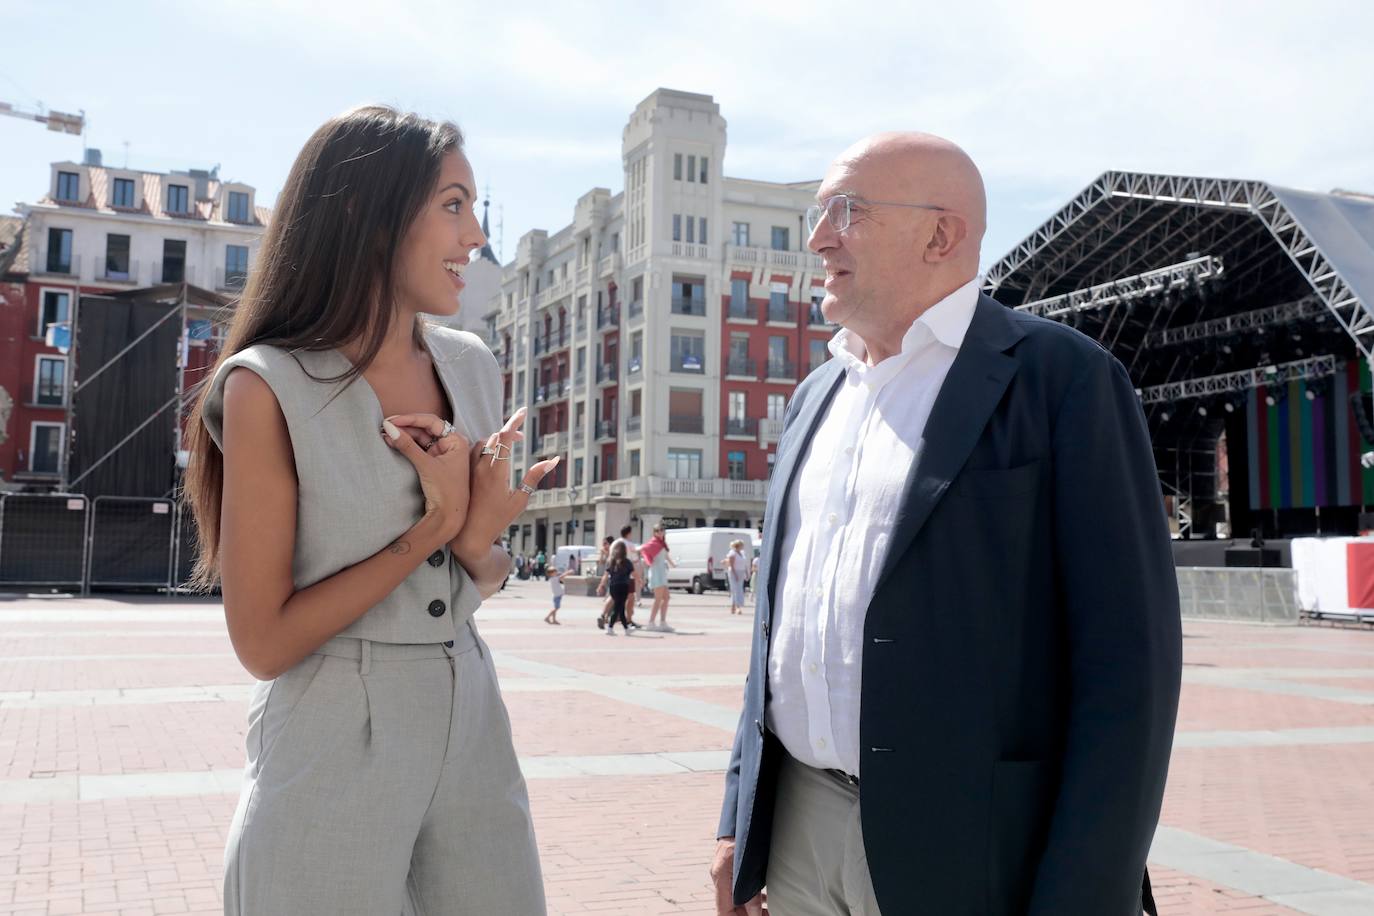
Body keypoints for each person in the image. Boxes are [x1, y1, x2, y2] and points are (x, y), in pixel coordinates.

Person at [711, 133, 1181, 916]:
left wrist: (1086, 897)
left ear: (941, 234)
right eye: (817, 214)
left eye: (847, 211)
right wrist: (739, 819)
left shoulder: (1065, 380)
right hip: (797, 833)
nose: (819, 238)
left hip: (975, 846)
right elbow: (777, 633)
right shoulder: (812, 399)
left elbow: (1129, 673)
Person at [184, 105, 556, 914]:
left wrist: (477, 539)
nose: (475, 237)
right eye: (453, 204)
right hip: (329, 730)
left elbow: (476, 577)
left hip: (471, 715)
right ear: (367, 214)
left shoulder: (473, 366)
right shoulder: (267, 384)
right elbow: (263, 642)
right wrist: (430, 528)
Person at [640, 525, 677, 632]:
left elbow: (666, 556)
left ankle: (662, 622)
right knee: (658, 599)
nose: (660, 532)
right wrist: (647, 561)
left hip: (661, 573)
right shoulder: (653, 543)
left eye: (661, 530)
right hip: (656, 573)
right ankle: (651, 623)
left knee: (666, 598)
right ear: (654, 532)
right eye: (657, 531)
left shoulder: (662, 543)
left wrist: (673, 564)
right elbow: (643, 549)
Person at [597, 541, 636, 636]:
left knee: (620, 608)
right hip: (623, 586)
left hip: (613, 586)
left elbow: (606, 575)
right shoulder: (627, 562)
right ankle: (610, 628)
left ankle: (626, 628)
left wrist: (601, 585)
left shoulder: (611, 561)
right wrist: (639, 580)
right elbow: (633, 573)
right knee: (618, 608)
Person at [724, 539, 749, 615]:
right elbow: (731, 565)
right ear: (738, 545)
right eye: (741, 545)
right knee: (735, 589)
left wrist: (747, 573)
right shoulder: (732, 553)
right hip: (734, 572)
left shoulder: (742, 553)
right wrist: (735, 575)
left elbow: (744, 564)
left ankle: (733, 606)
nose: (743, 546)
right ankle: (737, 607)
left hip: (741, 572)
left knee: (739, 589)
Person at [596, 535, 614, 629]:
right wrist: (602, 554)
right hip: (611, 578)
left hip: (611, 577)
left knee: (611, 597)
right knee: (611, 597)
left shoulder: (614, 553)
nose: (604, 546)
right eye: (603, 544)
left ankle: (606, 617)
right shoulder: (608, 554)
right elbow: (600, 563)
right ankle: (605, 616)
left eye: (605, 544)